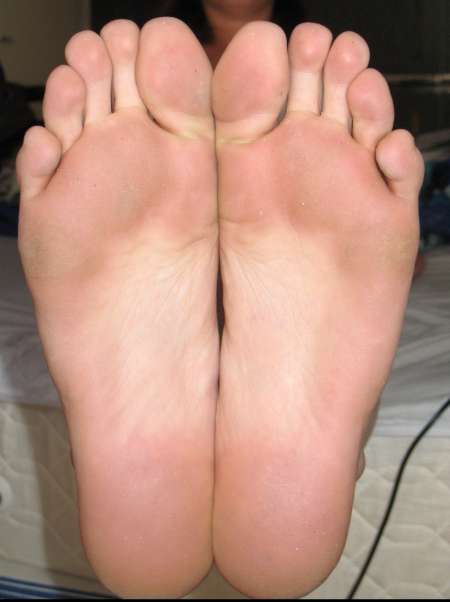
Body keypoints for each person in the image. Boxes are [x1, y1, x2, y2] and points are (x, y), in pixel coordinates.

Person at [15, 0, 424, 598]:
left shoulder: (148, 83)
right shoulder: (312, 81)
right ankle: (279, 420)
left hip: (257, 274)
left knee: (323, 286)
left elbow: (386, 244)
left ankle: (223, 409)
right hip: (218, 277)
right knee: (304, 291)